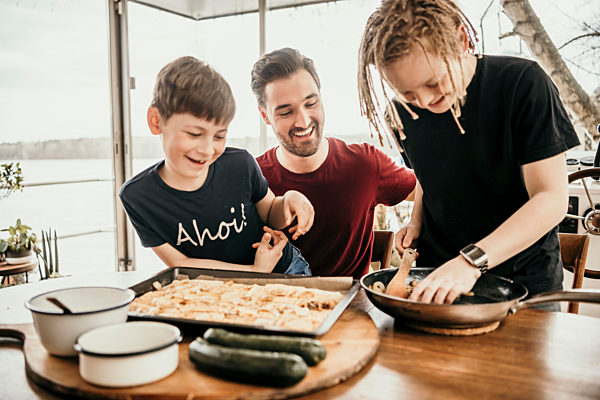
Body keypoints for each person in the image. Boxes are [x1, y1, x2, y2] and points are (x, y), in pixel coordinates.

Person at [358, 0, 579, 307]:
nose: (423, 101)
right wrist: (417, 222)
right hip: (435, 280)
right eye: (407, 93)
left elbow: (551, 199)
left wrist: (471, 261)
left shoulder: (522, 84)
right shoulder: (400, 113)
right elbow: (428, 172)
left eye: (434, 82)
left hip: (524, 286)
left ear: (462, 40)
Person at [120, 56, 314, 275]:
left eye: (219, 136)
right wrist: (253, 271)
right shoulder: (138, 196)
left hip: (286, 268)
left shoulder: (240, 164)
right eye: (194, 134)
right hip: (214, 287)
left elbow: (270, 212)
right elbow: (179, 262)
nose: (207, 149)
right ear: (156, 121)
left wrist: (289, 199)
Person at [251, 47, 416, 279]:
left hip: (351, 308)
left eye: (310, 104)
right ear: (265, 116)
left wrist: (416, 221)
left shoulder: (365, 164)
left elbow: (427, 187)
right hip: (276, 306)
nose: (303, 121)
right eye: (286, 112)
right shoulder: (252, 178)